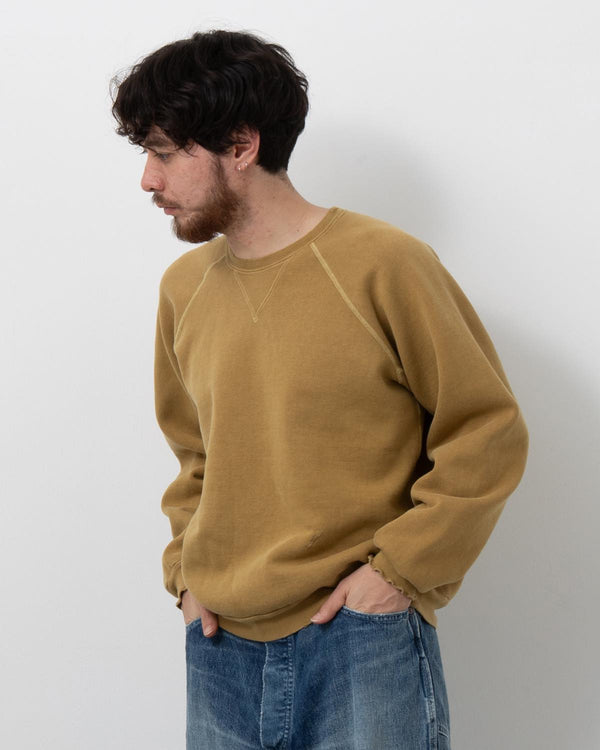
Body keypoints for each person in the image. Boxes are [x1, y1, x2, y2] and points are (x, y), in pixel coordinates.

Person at [110, 28, 529, 750]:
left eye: (165, 152)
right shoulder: (183, 289)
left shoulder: (383, 264)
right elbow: (195, 454)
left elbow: (486, 430)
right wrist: (186, 575)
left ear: (241, 145)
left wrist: (398, 574)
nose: (148, 180)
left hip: (359, 640)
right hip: (217, 644)